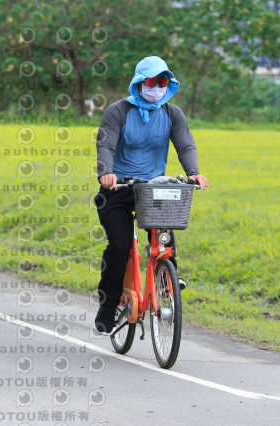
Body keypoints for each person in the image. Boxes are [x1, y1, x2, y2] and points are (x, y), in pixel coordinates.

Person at [93, 56, 208, 335]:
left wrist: (194, 172)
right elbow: (106, 143)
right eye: (152, 81)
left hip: (152, 189)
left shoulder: (172, 113)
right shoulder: (118, 111)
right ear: (139, 83)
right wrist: (106, 172)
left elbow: (185, 145)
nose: (157, 87)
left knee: (164, 238)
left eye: (163, 82)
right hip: (117, 188)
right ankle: (108, 307)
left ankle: (167, 276)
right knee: (120, 246)